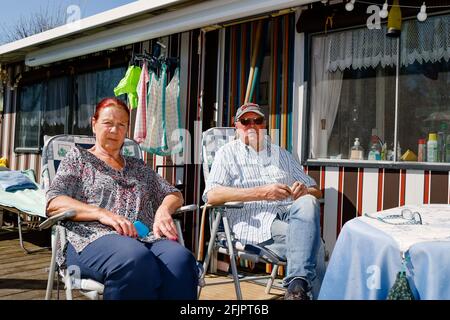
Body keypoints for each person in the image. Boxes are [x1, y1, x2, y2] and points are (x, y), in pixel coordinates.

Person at [46, 97, 198, 300]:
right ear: (94, 124)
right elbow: (54, 202)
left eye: (121, 125)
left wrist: (163, 210)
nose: (114, 130)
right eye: (108, 123)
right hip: (91, 239)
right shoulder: (78, 159)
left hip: (145, 238)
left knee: (181, 259)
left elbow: (173, 193)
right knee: (133, 258)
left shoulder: (138, 166)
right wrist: (101, 214)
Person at [203, 103, 325, 300]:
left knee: (308, 202)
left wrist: (303, 190)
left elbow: (315, 190)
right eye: (245, 121)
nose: (252, 125)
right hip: (255, 221)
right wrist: (262, 193)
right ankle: (300, 289)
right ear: (237, 126)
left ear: (264, 125)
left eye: (257, 121)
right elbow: (212, 195)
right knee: (316, 246)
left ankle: (297, 287)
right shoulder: (227, 154)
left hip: (288, 213)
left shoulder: (281, 154)